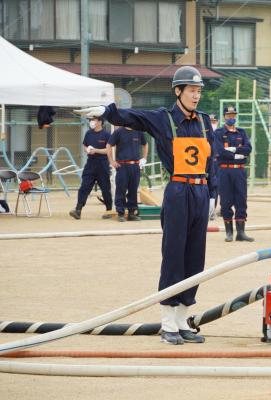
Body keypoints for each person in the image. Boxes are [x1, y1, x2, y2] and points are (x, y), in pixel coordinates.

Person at [75, 66, 216, 345]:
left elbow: (212, 160)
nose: (196, 96)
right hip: (178, 191)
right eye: (191, 90)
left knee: (195, 258)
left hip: (201, 192)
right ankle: (168, 324)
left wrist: (213, 195)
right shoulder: (163, 118)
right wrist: (106, 112)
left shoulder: (203, 121)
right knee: (174, 254)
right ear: (178, 91)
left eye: (199, 91)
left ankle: (183, 320)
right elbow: (132, 116)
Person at [214, 106, 254, 242]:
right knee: (226, 200)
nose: (231, 117)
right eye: (228, 115)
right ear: (224, 116)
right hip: (224, 170)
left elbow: (248, 149)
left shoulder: (241, 132)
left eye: (233, 115)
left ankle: (241, 233)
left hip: (239, 170)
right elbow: (219, 151)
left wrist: (233, 150)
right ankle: (229, 232)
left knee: (241, 200)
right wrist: (237, 154)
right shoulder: (218, 133)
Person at [69, 117, 113, 220]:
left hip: (102, 164)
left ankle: (109, 211)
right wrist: (87, 149)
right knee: (84, 186)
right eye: (91, 120)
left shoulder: (106, 135)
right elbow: (85, 145)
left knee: (105, 188)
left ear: (100, 122)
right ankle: (78, 210)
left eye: (94, 120)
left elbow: (109, 150)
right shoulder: (89, 133)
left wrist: (96, 150)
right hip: (90, 164)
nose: (92, 122)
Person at [106, 126, 149, 222]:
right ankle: (120, 213)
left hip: (135, 166)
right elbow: (109, 145)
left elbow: (145, 144)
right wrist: (111, 161)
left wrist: (144, 158)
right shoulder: (119, 132)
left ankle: (131, 213)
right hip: (122, 166)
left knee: (133, 190)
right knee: (121, 189)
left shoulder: (139, 131)